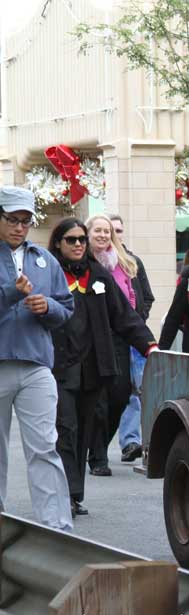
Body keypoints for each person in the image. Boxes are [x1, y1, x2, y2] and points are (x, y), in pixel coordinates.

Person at [48, 219, 157, 516]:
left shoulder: (98, 276)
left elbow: (125, 316)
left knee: (83, 431)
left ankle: (74, 493)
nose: (79, 244)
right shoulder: (50, 274)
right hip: (59, 367)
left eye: (82, 239)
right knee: (65, 429)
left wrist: (149, 344)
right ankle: (65, 494)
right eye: (71, 240)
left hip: (94, 368)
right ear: (58, 243)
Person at [0, 186, 74, 531]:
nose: (19, 227)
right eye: (12, 219)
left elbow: (67, 308)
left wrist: (49, 308)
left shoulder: (46, 259)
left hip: (36, 364)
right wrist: (14, 291)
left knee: (45, 447)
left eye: (26, 221)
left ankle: (57, 527)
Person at [84, 214, 138, 476]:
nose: (104, 235)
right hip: (91, 337)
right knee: (98, 399)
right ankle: (98, 457)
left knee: (120, 394)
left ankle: (99, 444)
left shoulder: (123, 262)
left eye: (107, 231)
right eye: (98, 231)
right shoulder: (83, 263)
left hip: (119, 335)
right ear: (88, 233)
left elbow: (135, 296)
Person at [107, 214, 154, 463]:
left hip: (134, 336)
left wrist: (139, 317)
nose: (115, 234)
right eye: (112, 229)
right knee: (112, 391)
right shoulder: (100, 263)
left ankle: (131, 442)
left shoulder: (132, 261)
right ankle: (97, 445)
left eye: (118, 230)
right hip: (109, 336)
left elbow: (147, 295)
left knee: (136, 390)